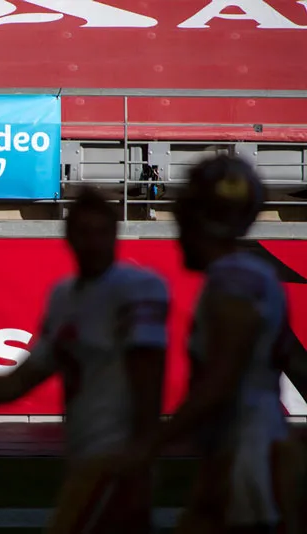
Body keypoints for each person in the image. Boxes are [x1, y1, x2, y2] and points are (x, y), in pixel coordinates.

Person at [0, 187, 170, 534]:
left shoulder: (136, 288)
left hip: (115, 458)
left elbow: (148, 371)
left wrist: (140, 451)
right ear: (69, 237)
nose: (93, 243)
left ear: (115, 234)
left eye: (101, 232)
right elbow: (17, 383)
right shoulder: (65, 296)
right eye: (84, 232)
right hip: (85, 454)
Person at [119, 155, 304, 534]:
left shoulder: (230, 284)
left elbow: (219, 382)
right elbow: (293, 359)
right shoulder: (258, 277)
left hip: (242, 448)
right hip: (250, 443)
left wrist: (152, 442)